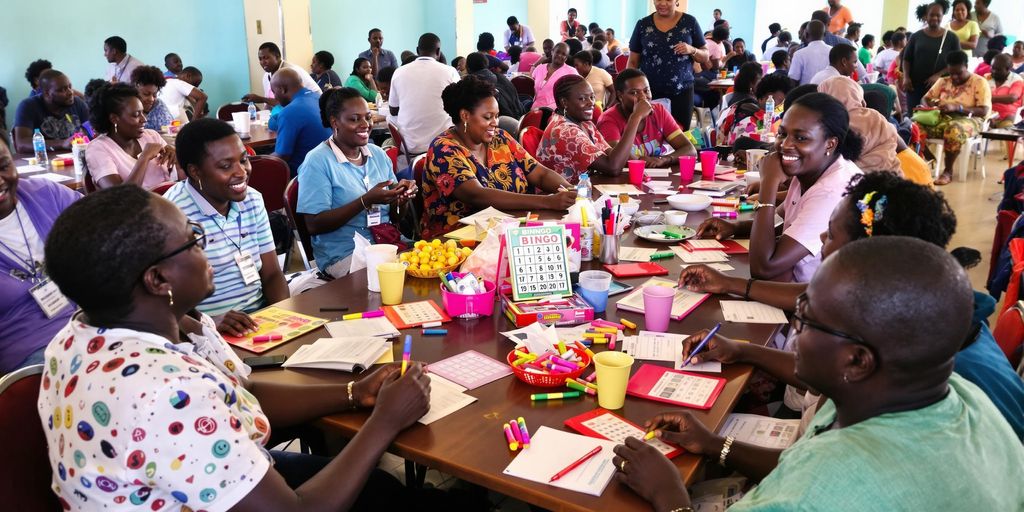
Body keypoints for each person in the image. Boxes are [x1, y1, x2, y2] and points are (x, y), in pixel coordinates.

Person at [39, 184, 450, 511]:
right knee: (383, 491)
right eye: (193, 241)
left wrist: (353, 393)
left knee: (379, 489)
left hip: (194, 481)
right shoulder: (166, 392)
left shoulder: (75, 338)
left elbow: (242, 391)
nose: (206, 252)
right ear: (157, 280)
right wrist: (385, 420)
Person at [619, 236, 1024, 511]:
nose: (795, 327)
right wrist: (713, 445)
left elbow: (816, 481)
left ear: (856, 361)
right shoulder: (952, 395)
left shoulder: (819, 491)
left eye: (806, 318)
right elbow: (801, 463)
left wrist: (669, 495)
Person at [679, 172, 1024, 440]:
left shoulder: (919, 357)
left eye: (830, 234)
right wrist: (743, 350)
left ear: (865, 255)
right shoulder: (921, 302)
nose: (821, 241)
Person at [698, 93, 863, 281]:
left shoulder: (830, 191)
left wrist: (769, 182)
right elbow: (783, 223)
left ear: (830, 144)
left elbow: (764, 267)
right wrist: (735, 227)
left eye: (801, 138)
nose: (785, 145)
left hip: (813, 302)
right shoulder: (814, 167)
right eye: (782, 134)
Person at [163, 118, 288, 335]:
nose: (241, 172)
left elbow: (272, 274)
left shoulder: (252, 200)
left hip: (259, 322)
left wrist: (283, 320)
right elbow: (161, 301)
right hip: (203, 334)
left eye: (244, 159)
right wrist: (209, 323)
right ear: (195, 172)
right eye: (225, 166)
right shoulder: (171, 215)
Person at [421, 76, 575, 238]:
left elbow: (540, 174)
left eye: (496, 116)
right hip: (458, 240)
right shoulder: (443, 149)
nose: (495, 122)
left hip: (510, 228)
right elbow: (476, 195)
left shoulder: (500, 138)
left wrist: (570, 192)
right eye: (488, 117)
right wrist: (548, 202)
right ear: (465, 116)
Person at [297, 88, 417, 278]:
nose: (365, 125)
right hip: (345, 254)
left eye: (368, 118)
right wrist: (365, 201)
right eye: (354, 119)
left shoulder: (377, 154)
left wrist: (399, 199)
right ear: (335, 122)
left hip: (386, 242)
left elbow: (394, 218)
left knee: (429, 267)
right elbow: (314, 224)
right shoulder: (317, 161)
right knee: (396, 280)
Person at [0, 129, 80, 374]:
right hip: (31, 354)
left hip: (89, 324)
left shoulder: (46, 194)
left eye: (2, 165)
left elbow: (104, 227)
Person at [536, 75, 650, 182]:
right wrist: (635, 118)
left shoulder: (586, 124)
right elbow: (613, 167)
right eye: (582, 99)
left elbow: (614, 156)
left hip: (585, 188)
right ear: (564, 102)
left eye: (592, 97)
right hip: (562, 197)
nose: (591, 103)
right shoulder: (565, 131)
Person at [628, 0, 710, 131]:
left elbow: (705, 55)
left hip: (682, 92)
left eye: (668, 0)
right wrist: (629, 89)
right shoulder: (643, 24)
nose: (662, 3)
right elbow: (633, 61)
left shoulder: (690, 22)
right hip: (649, 93)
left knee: (681, 135)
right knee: (651, 134)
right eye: (658, 0)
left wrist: (692, 50)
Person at [85, 83, 180, 190]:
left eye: (143, 113)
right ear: (114, 119)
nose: (144, 119)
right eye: (136, 115)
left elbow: (175, 178)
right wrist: (144, 158)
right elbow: (118, 196)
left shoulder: (151, 136)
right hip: (136, 206)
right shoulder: (97, 149)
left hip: (168, 202)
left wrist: (176, 158)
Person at [917, 50, 991, 185]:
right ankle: (925, 162)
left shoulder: (979, 82)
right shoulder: (943, 81)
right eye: (951, 73)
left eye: (959, 73)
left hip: (971, 119)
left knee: (953, 129)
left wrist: (958, 108)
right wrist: (934, 105)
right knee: (913, 127)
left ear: (967, 67)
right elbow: (926, 98)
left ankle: (948, 171)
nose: (955, 77)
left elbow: (983, 110)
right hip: (943, 118)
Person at [597, 69, 697, 165]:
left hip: (654, 178)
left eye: (646, 90)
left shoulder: (659, 111)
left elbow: (690, 150)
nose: (643, 97)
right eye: (634, 92)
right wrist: (636, 116)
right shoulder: (608, 120)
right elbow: (616, 161)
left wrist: (664, 159)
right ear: (620, 96)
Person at [389, 33, 462, 157]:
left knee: (391, 122)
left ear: (417, 50)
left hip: (410, 147)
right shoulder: (450, 72)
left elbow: (393, 110)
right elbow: (462, 103)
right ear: (438, 51)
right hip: (444, 145)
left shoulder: (399, 72)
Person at [818, 76, 900, 173]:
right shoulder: (874, 115)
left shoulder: (832, 124)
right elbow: (892, 136)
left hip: (855, 181)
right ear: (858, 95)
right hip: (890, 174)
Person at [268, 68, 333, 174]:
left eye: (274, 92)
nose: (275, 96)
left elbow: (282, 156)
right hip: (331, 166)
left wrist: (255, 159)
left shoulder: (289, 112)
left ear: (283, 89)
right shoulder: (319, 97)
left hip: (304, 174)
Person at [13, 69, 89, 154]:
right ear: (47, 93)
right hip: (44, 162)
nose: (70, 92)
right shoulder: (28, 106)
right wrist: (62, 143)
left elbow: (91, 131)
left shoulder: (78, 103)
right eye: (62, 90)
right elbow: (21, 144)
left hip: (76, 158)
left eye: (69, 87)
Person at [903, 2, 962, 110]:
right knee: (914, 118)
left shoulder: (952, 38)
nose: (935, 18)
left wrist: (938, 75)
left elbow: (958, 63)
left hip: (941, 88)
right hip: (915, 87)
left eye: (938, 15)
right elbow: (906, 59)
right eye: (931, 15)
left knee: (937, 118)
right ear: (926, 15)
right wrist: (906, 77)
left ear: (942, 16)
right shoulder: (916, 36)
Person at [716, 69, 792, 147]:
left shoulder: (747, 106)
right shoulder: (749, 122)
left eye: (784, 102)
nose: (781, 106)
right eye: (780, 101)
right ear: (765, 97)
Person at [243, 42, 322, 107]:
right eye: (260, 59)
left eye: (266, 58)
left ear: (277, 57)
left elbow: (290, 104)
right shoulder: (266, 76)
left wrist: (262, 99)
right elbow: (268, 104)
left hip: (312, 106)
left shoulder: (291, 73)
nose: (263, 62)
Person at [465, 53, 523, 122]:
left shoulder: (472, 85)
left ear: (468, 68)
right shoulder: (502, 78)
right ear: (486, 64)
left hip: (500, 125)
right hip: (519, 120)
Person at [531, 42, 579, 110]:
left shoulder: (571, 72)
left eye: (563, 54)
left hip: (556, 113)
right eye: (557, 52)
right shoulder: (539, 68)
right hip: (535, 110)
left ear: (566, 58)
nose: (559, 55)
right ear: (552, 52)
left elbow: (577, 93)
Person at [131, 65, 175, 131]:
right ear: (135, 90)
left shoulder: (158, 104)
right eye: (146, 94)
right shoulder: (127, 107)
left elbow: (170, 129)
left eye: (154, 95)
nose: (151, 99)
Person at [790, 20, 832, 85]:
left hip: (806, 93)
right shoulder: (833, 51)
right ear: (825, 34)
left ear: (806, 34)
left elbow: (793, 79)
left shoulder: (799, 54)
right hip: (829, 92)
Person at [988, 54, 1024, 131]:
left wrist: (987, 98)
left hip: (1007, 117)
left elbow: (1011, 98)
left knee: (1005, 132)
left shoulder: (1016, 80)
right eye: (992, 67)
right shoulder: (987, 77)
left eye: (998, 69)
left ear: (1008, 69)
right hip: (987, 115)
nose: (993, 71)